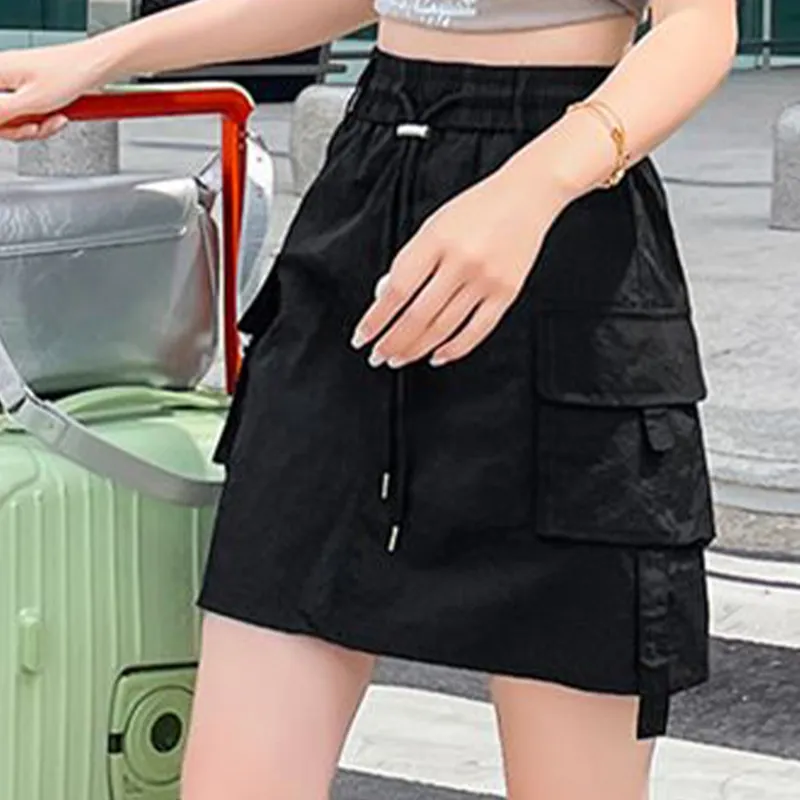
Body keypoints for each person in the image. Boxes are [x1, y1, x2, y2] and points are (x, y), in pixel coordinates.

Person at [0, 1, 737, 798]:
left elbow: (699, 28)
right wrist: (104, 55)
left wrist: (531, 187)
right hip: (363, 214)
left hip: (565, 243)